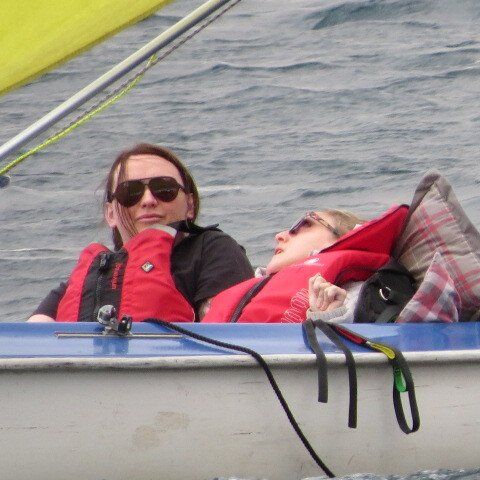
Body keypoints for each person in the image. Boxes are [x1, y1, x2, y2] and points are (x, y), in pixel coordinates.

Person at [28, 143, 254, 323]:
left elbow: (226, 329)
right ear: (110, 214)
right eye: (130, 192)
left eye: (164, 188)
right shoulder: (94, 274)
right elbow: (33, 334)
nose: (148, 200)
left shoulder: (213, 250)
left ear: (190, 205)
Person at [202, 205, 409, 323]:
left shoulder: (353, 294)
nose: (280, 235)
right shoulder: (251, 287)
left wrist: (329, 317)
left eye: (304, 224)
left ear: (343, 239)